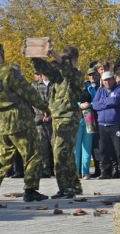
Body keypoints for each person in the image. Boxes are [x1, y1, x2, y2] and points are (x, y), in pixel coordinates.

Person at [0, 42, 49, 203]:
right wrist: (43, 107)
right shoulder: (8, 72)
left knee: (4, 155)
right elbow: (28, 91)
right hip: (18, 118)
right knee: (32, 152)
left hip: (2, 121)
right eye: (2, 52)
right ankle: (30, 190)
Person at [31, 46, 84, 199]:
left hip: (68, 119)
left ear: (74, 60)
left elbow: (67, 69)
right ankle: (74, 185)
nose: (63, 64)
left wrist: (53, 52)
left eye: (66, 61)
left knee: (60, 155)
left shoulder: (76, 75)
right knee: (66, 155)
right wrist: (33, 57)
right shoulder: (59, 77)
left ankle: (66, 189)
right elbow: (46, 68)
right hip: (57, 118)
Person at [92, 71, 120, 179]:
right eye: (104, 80)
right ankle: (106, 172)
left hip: (116, 124)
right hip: (102, 125)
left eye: (108, 79)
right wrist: (107, 102)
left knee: (119, 150)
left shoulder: (119, 89)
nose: (106, 82)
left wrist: (103, 102)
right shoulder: (100, 90)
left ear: (113, 79)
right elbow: (95, 105)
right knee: (103, 150)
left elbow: (115, 101)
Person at [32, 71, 54, 178]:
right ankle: (46, 170)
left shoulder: (55, 84)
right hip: (40, 120)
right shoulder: (35, 85)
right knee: (42, 146)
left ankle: (58, 169)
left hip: (54, 119)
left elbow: (58, 101)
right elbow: (33, 101)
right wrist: (42, 112)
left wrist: (51, 114)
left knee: (56, 146)